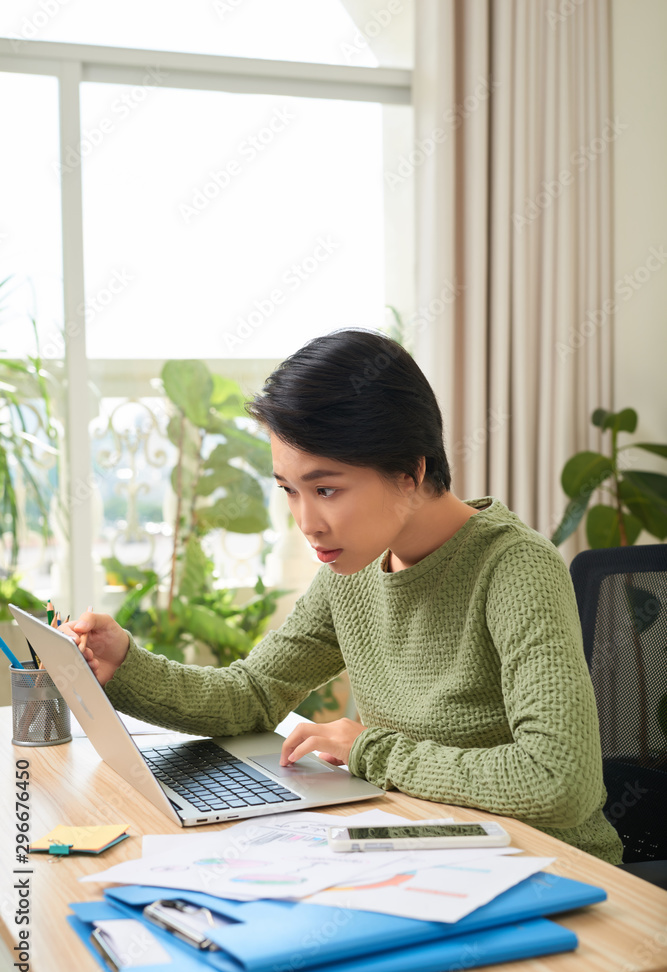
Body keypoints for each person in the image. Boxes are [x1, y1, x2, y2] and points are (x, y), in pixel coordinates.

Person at [61, 328, 623, 864]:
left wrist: (370, 749)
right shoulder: (351, 569)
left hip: (549, 867)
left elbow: (558, 781)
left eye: (326, 489)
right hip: (421, 846)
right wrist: (126, 665)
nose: (307, 522)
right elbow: (252, 693)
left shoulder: (514, 568)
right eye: (290, 491)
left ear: (408, 471)